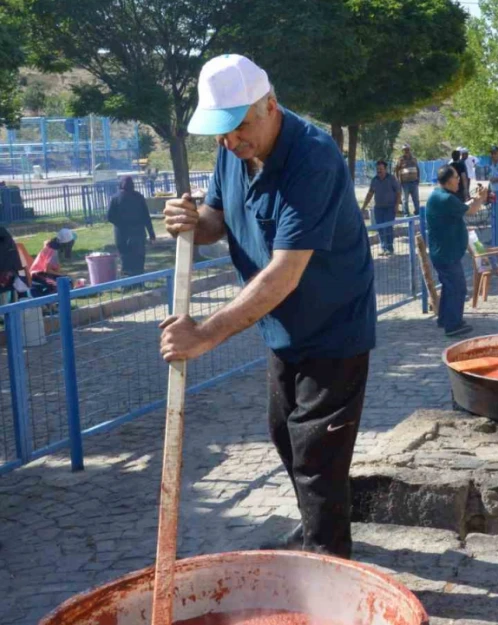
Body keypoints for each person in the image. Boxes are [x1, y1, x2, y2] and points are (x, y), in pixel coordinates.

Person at [161, 54, 376, 558]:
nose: (230, 143)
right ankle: (313, 529)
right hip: (281, 326)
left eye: (237, 129)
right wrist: (191, 221)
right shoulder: (232, 150)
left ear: (270, 106)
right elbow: (217, 219)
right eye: (220, 134)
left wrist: (205, 335)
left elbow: (284, 272)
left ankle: (327, 564)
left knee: (317, 453)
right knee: (284, 434)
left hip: (334, 326)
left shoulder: (314, 158)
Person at [425, 165, 488, 337]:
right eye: (456, 178)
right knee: (458, 288)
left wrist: (474, 199)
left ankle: (445, 319)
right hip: (447, 254)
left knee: (449, 286)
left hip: (443, 252)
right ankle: (453, 326)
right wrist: (481, 198)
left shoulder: (439, 196)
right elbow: (472, 210)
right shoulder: (446, 199)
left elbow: (462, 207)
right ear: (448, 180)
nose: (459, 180)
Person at [107, 176, 157, 276]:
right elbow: (146, 217)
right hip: (138, 233)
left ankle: (127, 284)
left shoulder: (115, 198)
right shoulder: (139, 197)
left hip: (121, 234)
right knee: (138, 259)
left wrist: (120, 223)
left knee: (125, 259)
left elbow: (110, 217)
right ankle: (139, 283)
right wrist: (151, 234)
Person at [361, 161, 402, 256]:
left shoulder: (391, 179)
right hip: (378, 209)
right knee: (380, 228)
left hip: (390, 208)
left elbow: (398, 192)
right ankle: (384, 248)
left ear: (385, 169)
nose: (379, 171)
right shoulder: (374, 180)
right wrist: (363, 206)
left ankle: (390, 248)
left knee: (388, 228)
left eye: (381, 169)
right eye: (377, 169)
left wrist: (396, 206)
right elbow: (370, 194)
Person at [394, 144, 421, 216]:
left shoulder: (414, 159)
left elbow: (417, 169)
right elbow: (396, 169)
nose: (406, 151)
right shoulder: (400, 160)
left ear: (409, 150)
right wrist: (397, 179)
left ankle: (417, 213)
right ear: (403, 151)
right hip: (405, 183)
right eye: (405, 150)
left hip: (414, 182)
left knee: (416, 199)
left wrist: (418, 178)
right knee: (405, 200)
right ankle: (406, 213)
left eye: (407, 149)